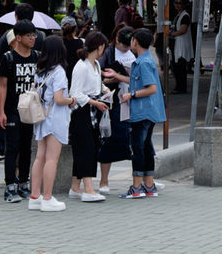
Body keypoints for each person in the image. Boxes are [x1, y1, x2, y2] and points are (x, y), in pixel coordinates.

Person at [26, 35, 74, 212]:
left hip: (41, 116)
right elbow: (59, 99)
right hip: (55, 118)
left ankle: (35, 196)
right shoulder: (59, 71)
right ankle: (47, 198)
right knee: (52, 159)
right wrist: (72, 100)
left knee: (40, 156)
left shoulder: (40, 69)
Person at [118, 28, 165, 199]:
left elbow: (151, 88)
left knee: (137, 147)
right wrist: (117, 75)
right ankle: (149, 186)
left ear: (135, 42)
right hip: (149, 111)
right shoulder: (145, 60)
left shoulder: (143, 63)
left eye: (132, 39)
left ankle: (137, 187)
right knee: (146, 146)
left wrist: (131, 94)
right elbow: (138, 81)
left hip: (143, 111)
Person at [0, 20, 39, 203]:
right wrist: (1, 112)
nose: (33, 39)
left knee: (26, 147)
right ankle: (9, 187)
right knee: (12, 147)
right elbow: (3, 86)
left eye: (34, 35)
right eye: (29, 35)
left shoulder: (37, 56)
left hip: (31, 110)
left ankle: (23, 183)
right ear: (19, 38)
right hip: (13, 109)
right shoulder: (9, 58)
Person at [67, 30, 110, 203]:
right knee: (86, 148)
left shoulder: (96, 65)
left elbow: (97, 84)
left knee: (90, 146)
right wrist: (95, 103)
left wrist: (106, 92)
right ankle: (88, 188)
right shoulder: (82, 66)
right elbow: (75, 93)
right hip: (82, 112)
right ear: (99, 47)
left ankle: (75, 187)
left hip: (93, 111)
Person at [97, 26, 135, 194]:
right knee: (109, 139)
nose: (126, 49)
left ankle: (140, 178)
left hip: (132, 100)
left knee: (135, 140)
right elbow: (100, 79)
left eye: (129, 45)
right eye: (123, 45)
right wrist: (112, 79)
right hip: (114, 102)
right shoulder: (108, 53)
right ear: (117, 40)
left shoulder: (136, 53)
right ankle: (104, 180)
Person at [170, 0, 193, 93]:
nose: (177, 5)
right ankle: (178, 86)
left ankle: (181, 87)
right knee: (177, 67)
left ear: (183, 5)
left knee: (181, 67)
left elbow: (183, 30)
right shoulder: (179, 15)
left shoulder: (185, 16)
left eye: (179, 3)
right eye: (176, 3)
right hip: (177, 43)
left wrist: (171, 34)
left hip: (182, 44)